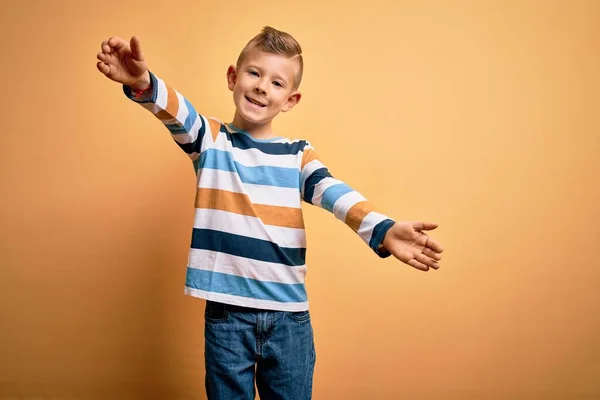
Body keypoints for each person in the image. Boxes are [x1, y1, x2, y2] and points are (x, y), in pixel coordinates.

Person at [96, 26, 444, 400]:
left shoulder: (297, 155)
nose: (263, 87)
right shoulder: (211, 140)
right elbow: (178, 112)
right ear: (233, 77)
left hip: (289, 320)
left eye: (277, 83)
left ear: (290, 100)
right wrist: (144, 83)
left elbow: (333, 192)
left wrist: (383, 228)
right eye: (254, 73)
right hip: (227, 317)